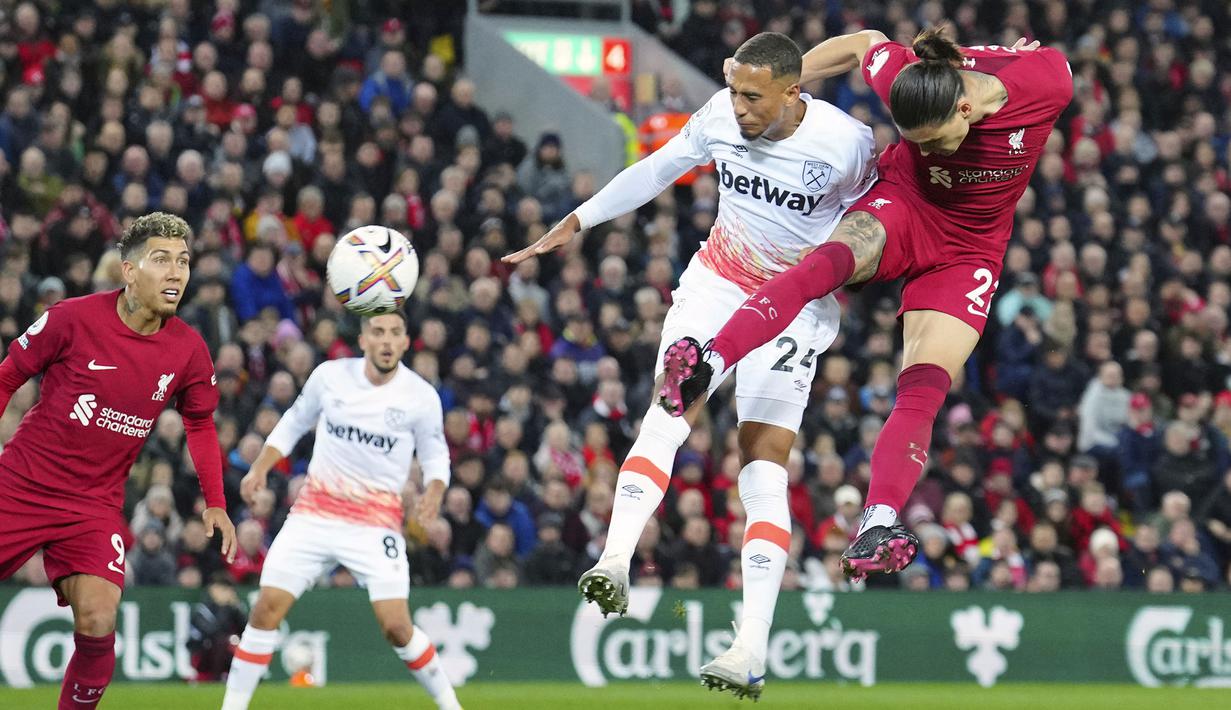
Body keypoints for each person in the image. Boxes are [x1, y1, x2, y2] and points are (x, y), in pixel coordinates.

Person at [504, 31, 876, 700]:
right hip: (717, 282)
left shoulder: (845, 145)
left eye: (752, 96)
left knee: (761, 467)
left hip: (793, 307)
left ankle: (749, 647)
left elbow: (883, 217)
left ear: (794, 93)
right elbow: (655, 169)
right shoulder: (719, 115)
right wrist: (576, 221)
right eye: (733, 90)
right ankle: (615, 558)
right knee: (670, 407)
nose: (737, 107)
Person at [659, 29, 1073, 581]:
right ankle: (707, 363)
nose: (931, 151)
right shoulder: (909, 78)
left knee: (924, 384)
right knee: (820, 264)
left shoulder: (1046, 82)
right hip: (905, 203)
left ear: (967, 106)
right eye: (917, 141)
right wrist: (788, 81)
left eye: (937, 140)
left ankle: (878, 522)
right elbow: (864, 43)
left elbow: (1017, 64)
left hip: (971, 246)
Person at [0, 212, 237, 708]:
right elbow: (6, 377)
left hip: (94, 505)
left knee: (99, 619)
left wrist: (215, 501)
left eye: (184, 262)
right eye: (161, 260)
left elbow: (199, 423)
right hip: (22, 486)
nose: (176, 273)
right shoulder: (72, 318)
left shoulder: (189, 350)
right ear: (129, 270)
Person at [220, 311, 461, 710]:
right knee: (266, 609)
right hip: (314, 514)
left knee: (397, 627)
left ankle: (451, 705)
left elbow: (437, 456)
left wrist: (435, 490)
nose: (386, 340)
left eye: (395, 333)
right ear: (363, 340)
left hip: (375, 523)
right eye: (378, 332)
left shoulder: (420, 396)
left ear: (405, 343)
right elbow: (294, 422)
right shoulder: (330, 376)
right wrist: (260, 467)